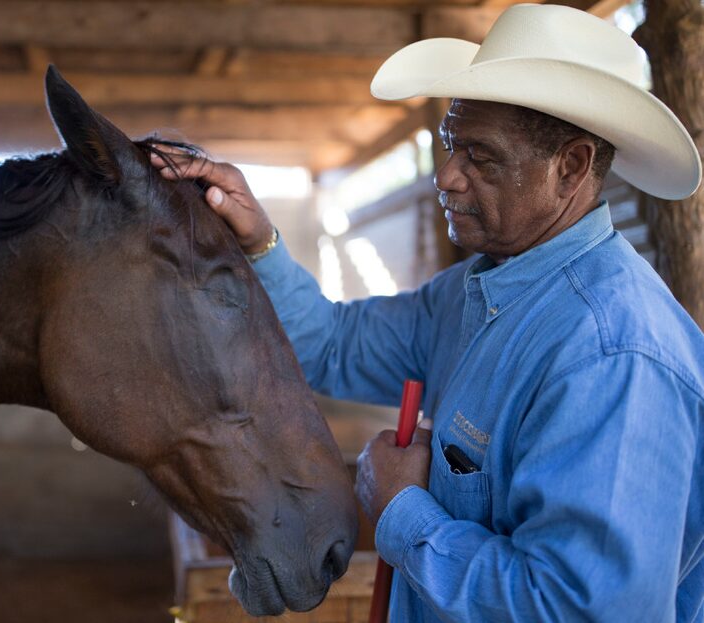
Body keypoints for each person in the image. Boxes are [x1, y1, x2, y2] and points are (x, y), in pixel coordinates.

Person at [151, 4, 704, 621]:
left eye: (481, 158)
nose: (445, 177)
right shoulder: (473, 292)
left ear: (570, 167)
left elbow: (580, 610)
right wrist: (259, 240)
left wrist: (401, 511)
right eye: (450, 145)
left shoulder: (614, 354)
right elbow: (331, 345)